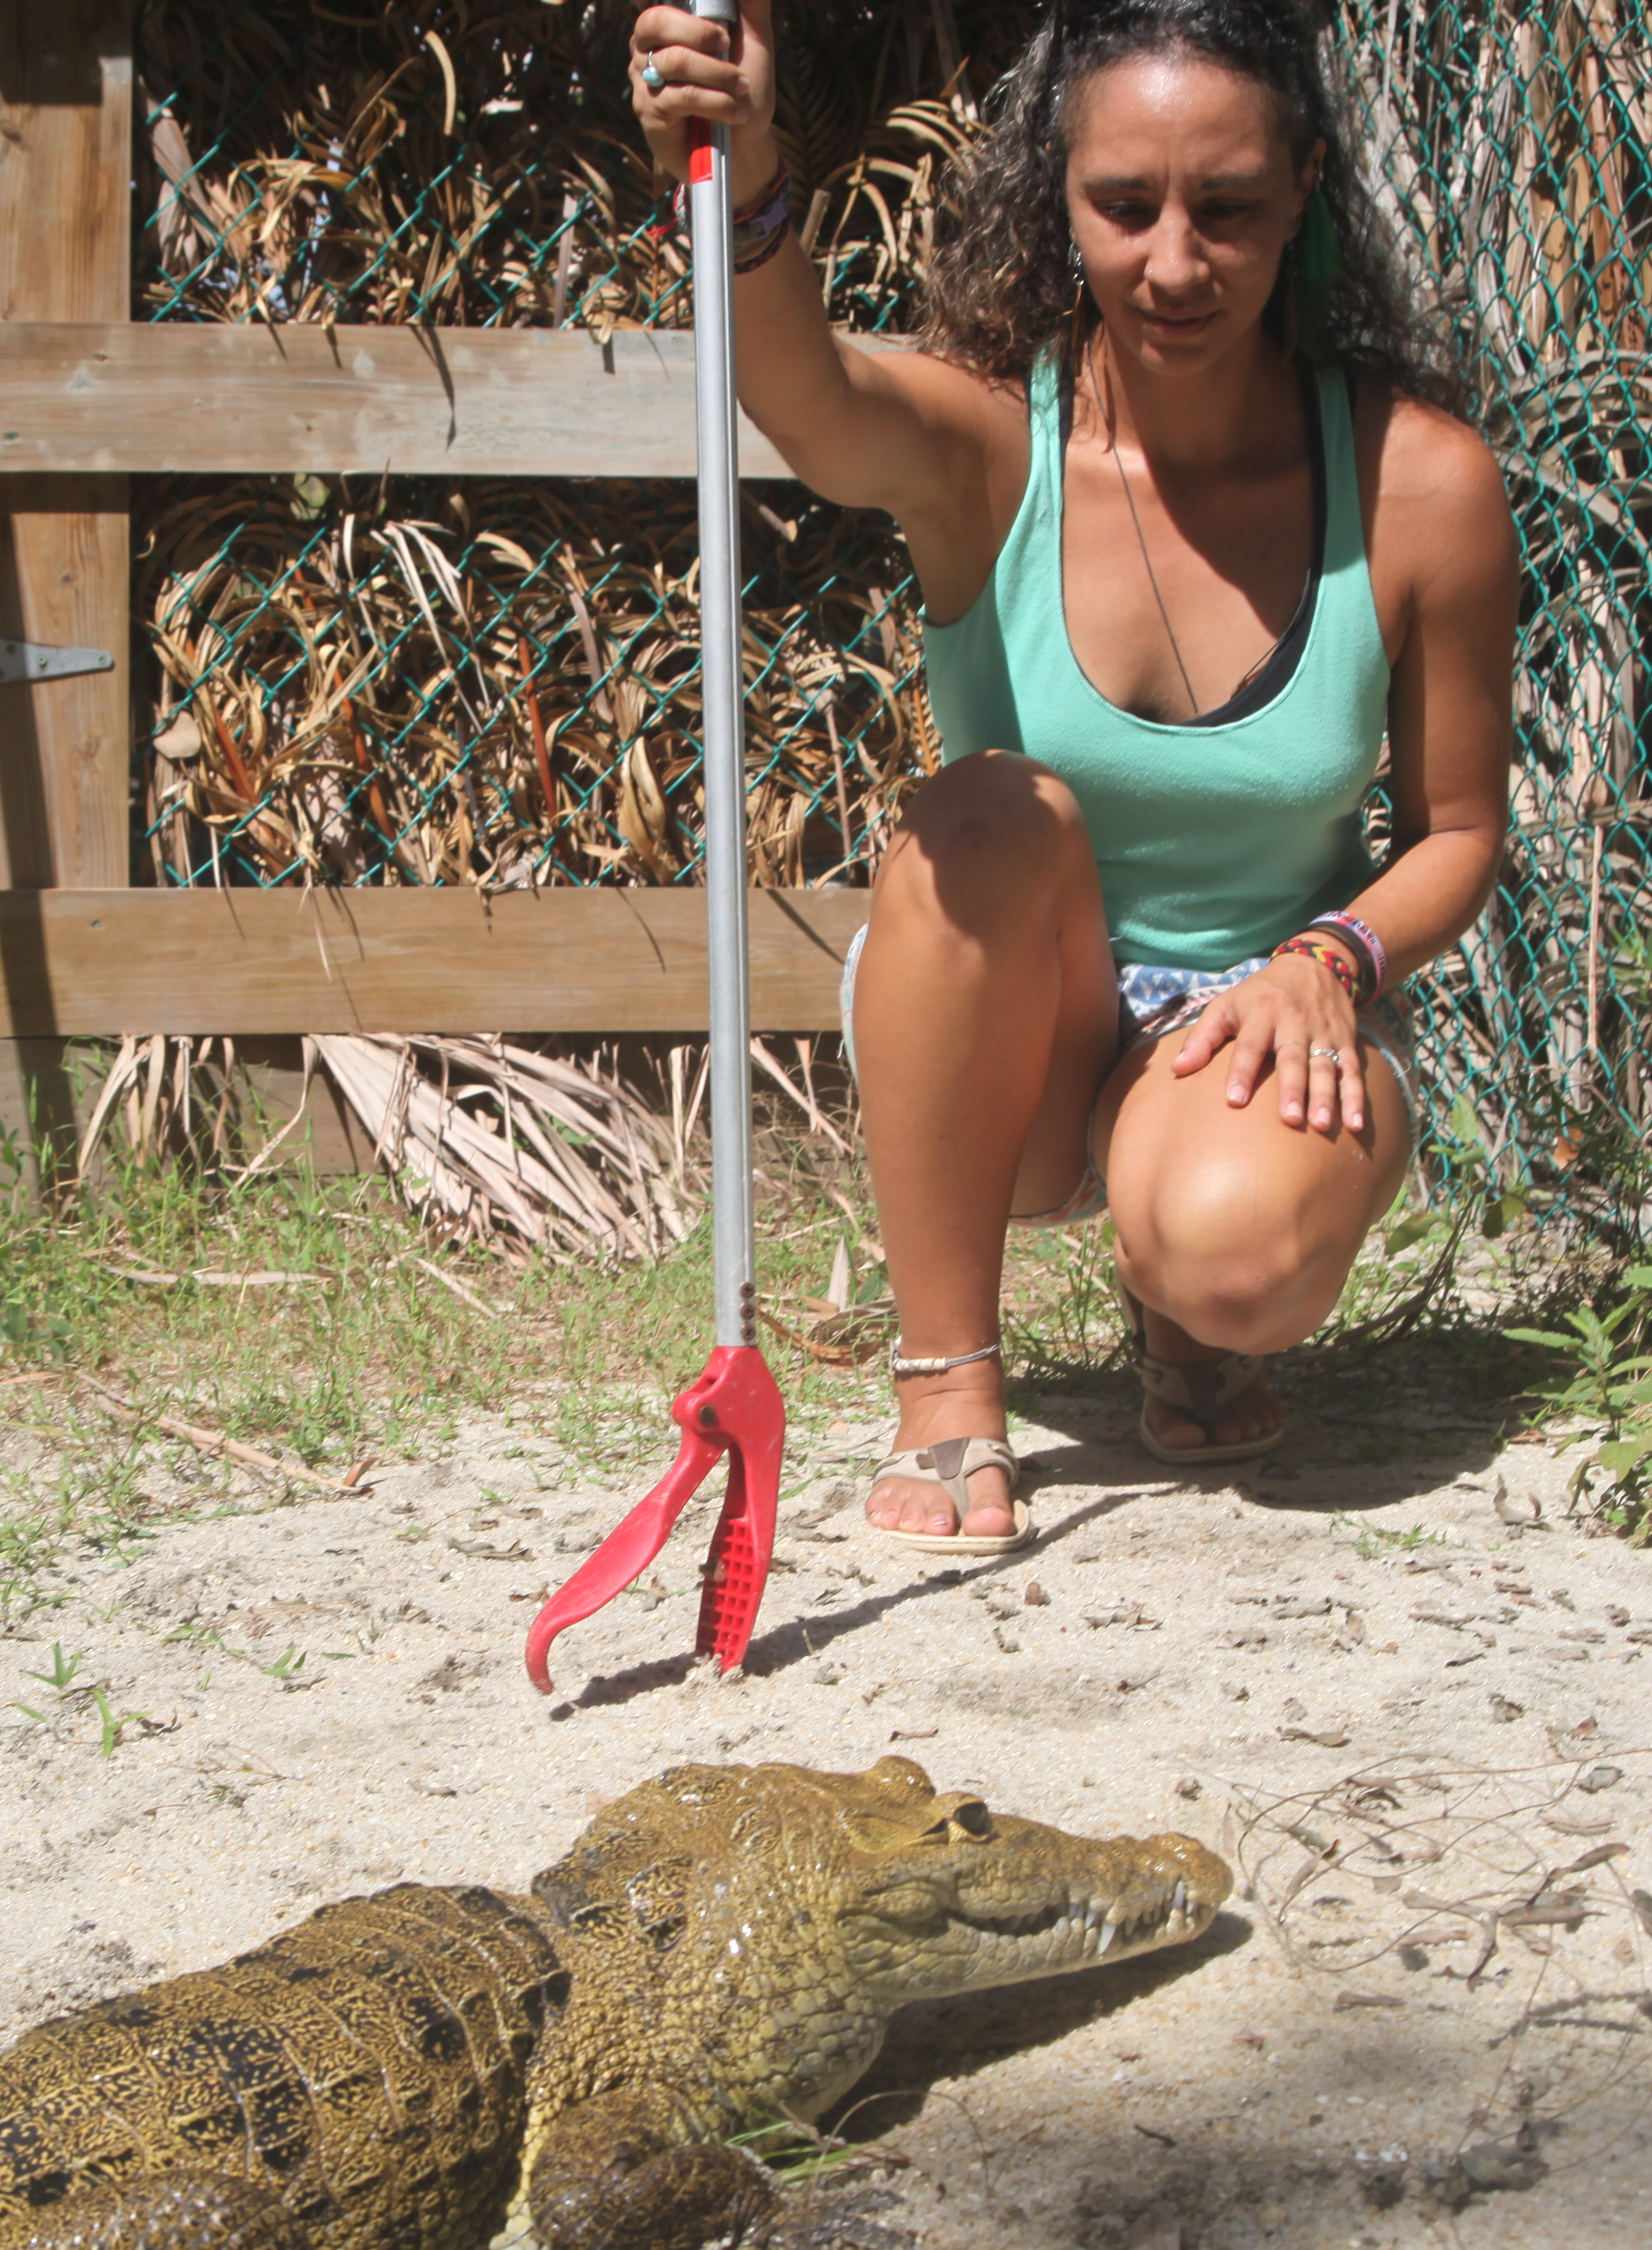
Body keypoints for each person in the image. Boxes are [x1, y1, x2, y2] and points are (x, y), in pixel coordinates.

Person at [630, 0, 1517, 1554]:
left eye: (1227, 208)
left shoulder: (1421, 481)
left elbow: (1458, 832)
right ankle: (948, 1377)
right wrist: (749, 179)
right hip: (1022, 1022)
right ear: (1061, 198)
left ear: (1307, 185)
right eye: (1126, 207)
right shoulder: (994, 448)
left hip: (1263, 1019)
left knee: (1239, 1265)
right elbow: (815, 401)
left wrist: (1334, 958)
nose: (1176, 263)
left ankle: (1182, 1306)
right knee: (989, 808)